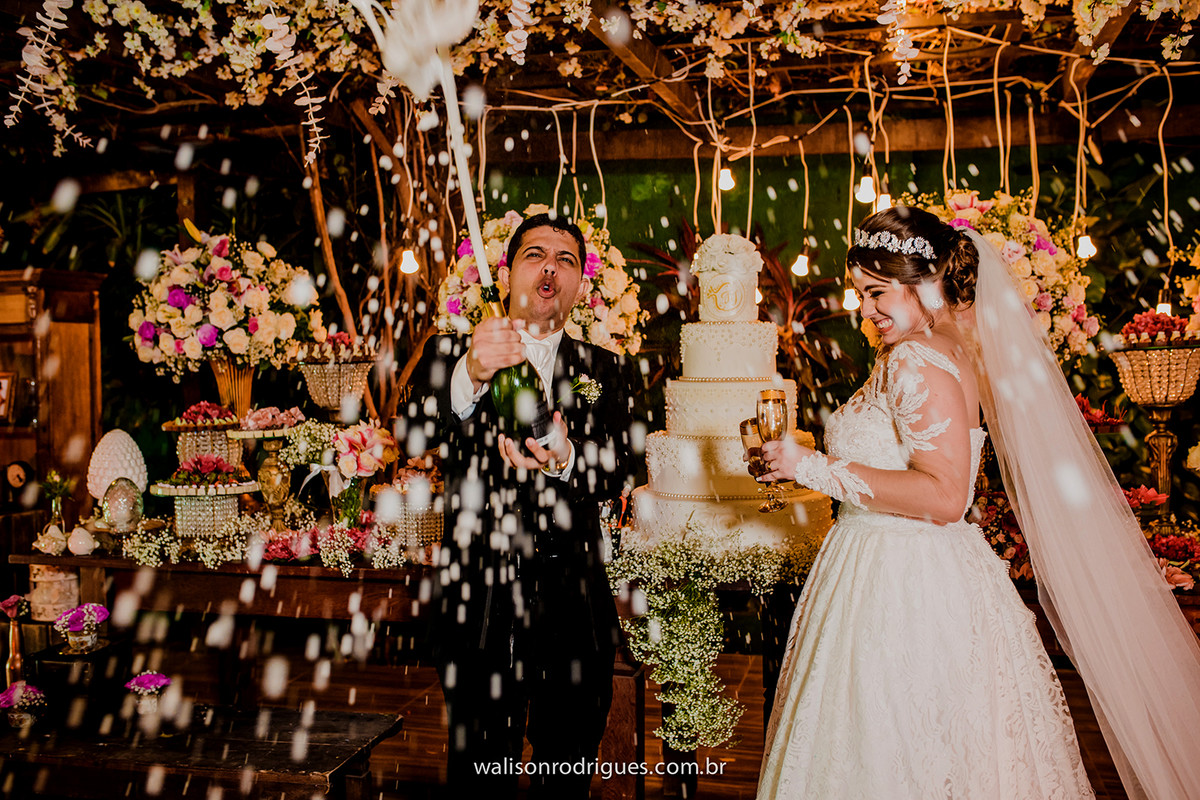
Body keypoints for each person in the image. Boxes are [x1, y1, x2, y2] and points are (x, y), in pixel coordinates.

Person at [754, 206, 1200, 799]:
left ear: (926, 282)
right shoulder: (947, 348)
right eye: (861, 293)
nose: (866, 309)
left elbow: (945, 493)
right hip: (924, 571)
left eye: (878, 292)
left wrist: (807, 465)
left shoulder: (916, 359)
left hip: (899, 582)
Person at [407, 213, 639, 799]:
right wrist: (471, 372)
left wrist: (567, 458)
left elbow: (623, 469)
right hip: (480, 604)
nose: (550, 268)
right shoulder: (451, 354)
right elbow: (412, 435)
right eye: (535, 254)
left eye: (566, 260)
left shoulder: (607, 369)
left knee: (568, 769)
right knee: (479, 776)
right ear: (508, 273)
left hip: (573, 607)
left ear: (580, 286)